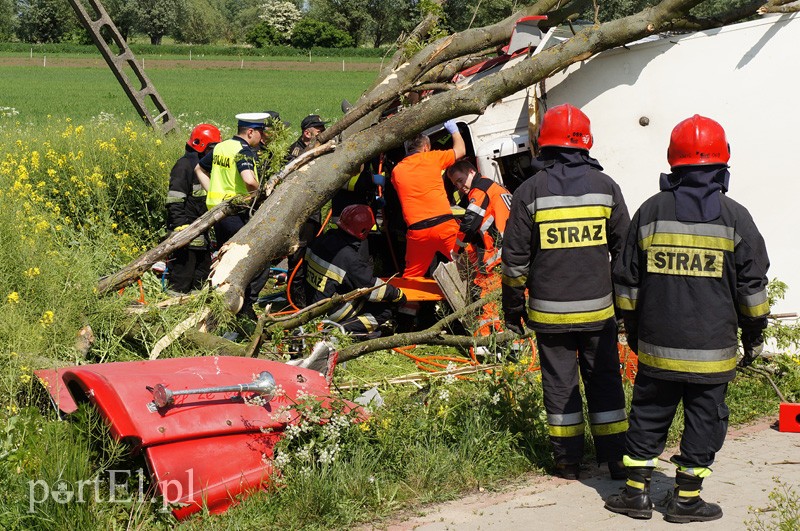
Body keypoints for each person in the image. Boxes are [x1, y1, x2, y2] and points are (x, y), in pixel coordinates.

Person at [604, 115, 770, 523]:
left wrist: (634, 330)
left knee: (648, 414)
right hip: (712, 353)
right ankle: (686, 500)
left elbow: (625, 281)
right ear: (723, 164)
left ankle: (636, 494)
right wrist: (754, 337)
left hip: (657, 348)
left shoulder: (650, 212)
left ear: (673, 162)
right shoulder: (735, 218)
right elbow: (752, 289)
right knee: (704, 420)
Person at [501, 103, 630, 480]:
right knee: (605, 380)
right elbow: (625, 252)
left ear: (545, 143)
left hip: (549, 314)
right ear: (585, 143)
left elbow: (514, 262)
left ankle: (567, 461)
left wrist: (512, 309)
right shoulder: (606, 187)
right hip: (599, 313)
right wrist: (623, 304)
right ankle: (616, 458)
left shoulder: (529, 191)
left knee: (559, 386)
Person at [196, 112, 271, 318]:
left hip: (218, 213)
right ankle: (243, 309)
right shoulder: (243, 151)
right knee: (248, 263)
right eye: (260, 133)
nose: (261, 137)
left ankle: (225, 306)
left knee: (226, 262)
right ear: (250, 132)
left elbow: (199, 169)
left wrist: (213, 193)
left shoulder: (221, 147)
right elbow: (249, 180)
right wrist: (262, 192)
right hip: (236, 214)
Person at [305, 204, 406, 337]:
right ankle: (342, 331)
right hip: (331, 312)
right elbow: (371, 288)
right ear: (363, 230)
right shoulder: (350, 258)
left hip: (311, 306)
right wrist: (397, 295)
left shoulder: (321, 240)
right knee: (384, 311)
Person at [391, 120, 466, 278]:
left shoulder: (397, 171)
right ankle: (491, 301)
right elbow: (460, 150)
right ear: (425, 148)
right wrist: (454, 131)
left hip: (418, 232)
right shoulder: (433, 158)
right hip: (444, 227)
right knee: (468, 263)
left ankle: (408, 303)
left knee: (411, 277)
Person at [446, 160, 512, 338]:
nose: (460, 186)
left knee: (488, 297)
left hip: (498, 254)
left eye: (461, 180)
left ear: (471, 172)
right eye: (456, 184)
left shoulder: (480, 190)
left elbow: (469, 224)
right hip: (512, 252)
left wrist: (456, 250)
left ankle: (488, 340)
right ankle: (514, 340)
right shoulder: (495, 187)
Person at [165, 123, 220, 293]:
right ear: (202, 145)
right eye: (212, 147)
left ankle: (195, 312)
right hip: (185, 233)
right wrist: (180, 226)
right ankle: (174, 310)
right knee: (181, 278)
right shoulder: (184, 166)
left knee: (201, 277)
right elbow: (174, 199)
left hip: (201, 233)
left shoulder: (206, 166)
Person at [284, 114, 329, 307]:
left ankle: (308, 298)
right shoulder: (295, 152)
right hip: (301, 214)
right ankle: (297, 303)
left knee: (312, 255)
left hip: (313, 212)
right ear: (307, 133)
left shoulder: (316, 149)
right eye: (319, 131)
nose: (323, 134)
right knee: (299, 258)